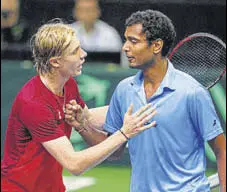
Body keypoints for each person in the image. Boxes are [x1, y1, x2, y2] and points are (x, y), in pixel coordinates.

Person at [65, 10, 226, 191]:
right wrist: (82, 126)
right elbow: (114, 150)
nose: (125, 47)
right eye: (126, 40)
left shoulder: (192, 93)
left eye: (133, 41)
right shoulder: (124, 90)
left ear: (156, 46)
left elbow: (221, 150)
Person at [0, 19, 157, 191]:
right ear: (55, 62)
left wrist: (146, 106)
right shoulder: (34, 103)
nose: (83, 54)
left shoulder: (68, 84)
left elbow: (89, 118)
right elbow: (74, 164)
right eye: (75, 51)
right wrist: (124, 133)